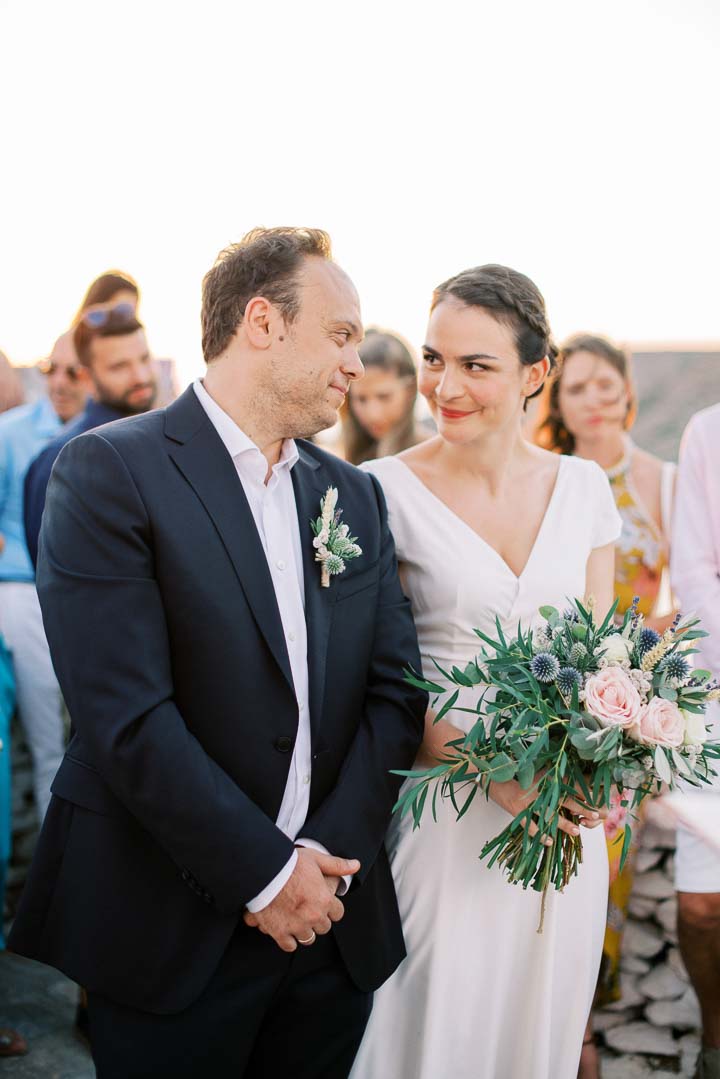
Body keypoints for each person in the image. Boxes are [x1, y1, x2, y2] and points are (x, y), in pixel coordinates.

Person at [8, 227, 427, 1079]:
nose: (356, 362)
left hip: (330, 926)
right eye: (341, 334)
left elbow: (396, 693)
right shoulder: (107, 471)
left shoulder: (353, 496)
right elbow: (125, 716)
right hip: (170, 925)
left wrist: (320, 867)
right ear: (263, 322)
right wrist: (267, 875)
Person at [351, 264, 620, 1079]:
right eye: (435, 359)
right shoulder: (380, 491)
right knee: (429, 1032)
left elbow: (604, 660)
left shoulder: (584, 487)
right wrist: (497, 774)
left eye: (476, 365)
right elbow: (381, 677)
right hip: (445, 810)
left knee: (536, 1034)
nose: (445, 386)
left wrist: (599, 770)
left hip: (561, 822)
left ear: (537, 372)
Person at [534, 333, 678, 1078]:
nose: (592, 398)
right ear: (557, 403)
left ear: (626, 390)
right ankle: (561, 1023)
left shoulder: (664, 482)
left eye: (604, 383)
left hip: (634, 701)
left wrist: (649, 658)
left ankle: (588, 1011)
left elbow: (694, 588)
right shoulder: (548, 478)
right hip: (557, 695)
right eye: (576, 387)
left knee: (606, 852)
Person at [0, 332, 87, 821]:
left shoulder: (116, 433)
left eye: (74, 371)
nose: (59, 382)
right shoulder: (10, 433)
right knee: (47, 740)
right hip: (23, 593)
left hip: (89, 601)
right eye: (50, 368)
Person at [24, 311, 157, 567]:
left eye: (144, 359)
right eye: (120, 367)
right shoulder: (63, 457)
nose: (140, 376)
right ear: (86, 378)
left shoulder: (164, 438)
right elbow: (50, 566)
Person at [671, 403, 720, 1079]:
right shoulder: (708, 432)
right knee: (703, 903)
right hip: (713, 690)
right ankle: (715, 1040)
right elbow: (692, 569)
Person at [340, 328, 428, 465]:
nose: (373, 414)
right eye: (361, 399)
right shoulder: (342, 459)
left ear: (410, 390)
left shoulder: (436, 458)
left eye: (384, 397)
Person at [72, 270, 140, 325]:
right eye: (122, 309)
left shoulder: (135, 335)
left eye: (131, 312)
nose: (126, 319)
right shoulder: (75, 334)